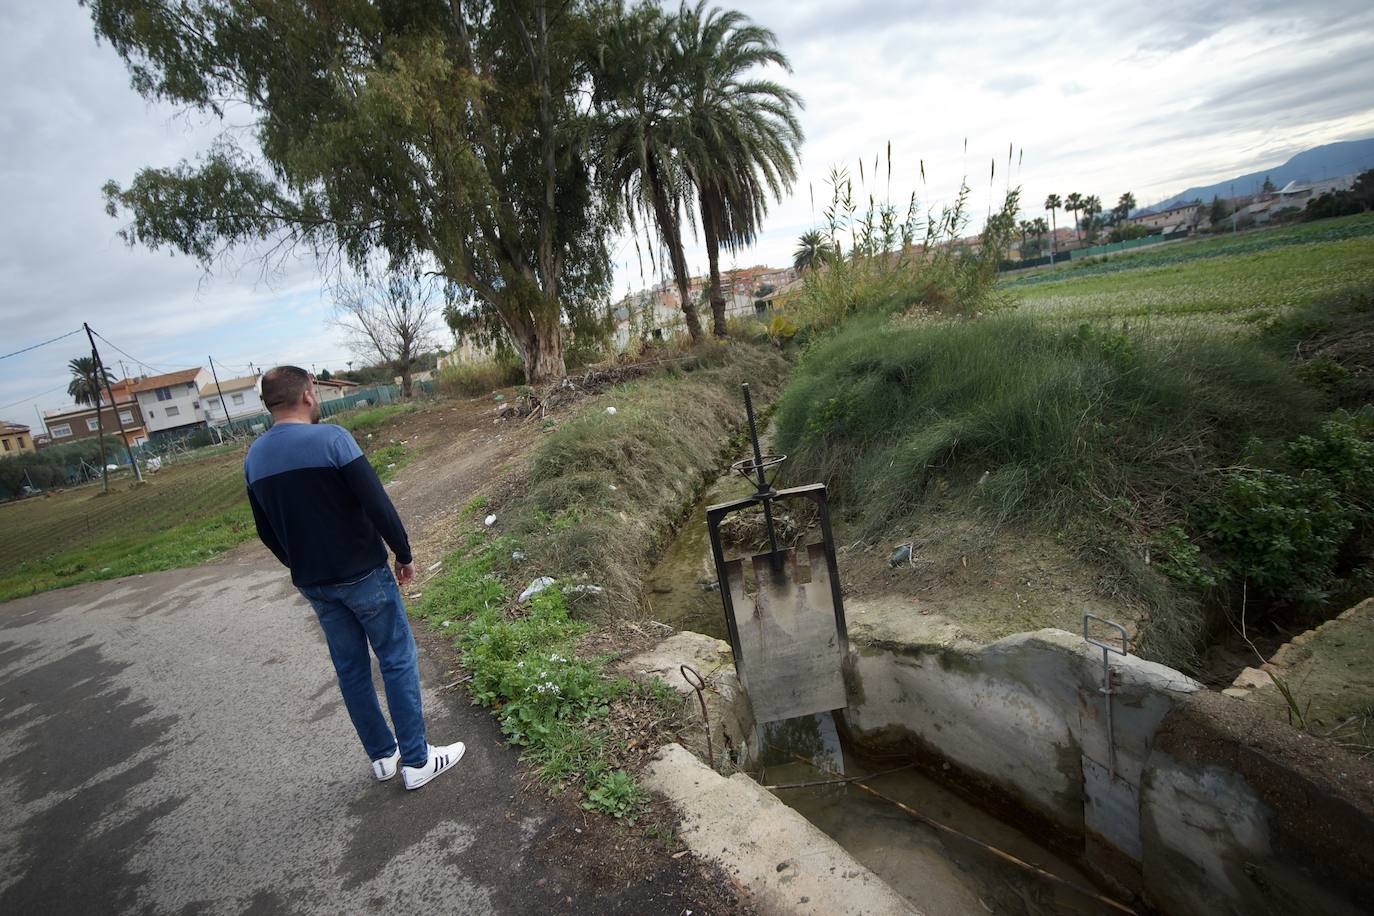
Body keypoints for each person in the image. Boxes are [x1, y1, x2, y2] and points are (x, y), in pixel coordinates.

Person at [244, 366, 463, 790]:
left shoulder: (255, 457)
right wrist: (403, 552)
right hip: (362, 573)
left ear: (269, 404)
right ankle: (417, 761)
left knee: (351, 669)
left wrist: (300, 563)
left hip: (315, 583)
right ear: (308, 395)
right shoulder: (332, 439)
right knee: (397, 658)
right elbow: (376, 503)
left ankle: (383, 756)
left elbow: (265, 530)